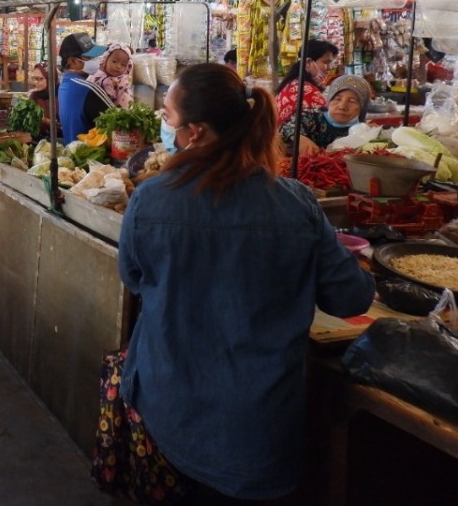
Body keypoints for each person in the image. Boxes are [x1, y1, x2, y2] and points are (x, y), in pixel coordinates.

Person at [114, 63, 373, 501]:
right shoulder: (295, 203)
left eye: (170, 120)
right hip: (258, 422)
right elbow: (350, 298)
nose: (167, 128)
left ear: (194, 132)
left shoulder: (151, 198)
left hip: (169, 405)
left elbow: (135, 278)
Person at [281, 74, 372, 157]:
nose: (342, 106)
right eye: (337, 99)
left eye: (352, 101)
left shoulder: (362, 131)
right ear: (329, 100)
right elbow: (286, 127)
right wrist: (300, 139)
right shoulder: (313, 116)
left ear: (362, 107)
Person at [56, 32, 111, 144]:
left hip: (75, 153)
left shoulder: (64, 85)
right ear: (73, 61)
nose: (97, 60)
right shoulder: (88, 89)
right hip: (92, 156)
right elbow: (118, 121)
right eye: (90, 57)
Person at [275, 39, 339, 124]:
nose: (330, 68)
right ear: (308, 63)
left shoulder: (293, 83)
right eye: (326, 62)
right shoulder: (306, 91)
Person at [88, 43, 133, 109]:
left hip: (111, 114)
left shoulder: (122, 83)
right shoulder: (95, 75)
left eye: (123, 64)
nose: (118, 66)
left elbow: (126, 103)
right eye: (114, 61)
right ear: (105, 59)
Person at [27, 63, 58, 135]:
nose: (35, 82)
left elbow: (63, 124)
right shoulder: (34, 96)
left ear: (50, 78)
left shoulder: (59, 96)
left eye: (39, 79)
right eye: (34, 78)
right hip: (37, 139)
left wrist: (46, 121)